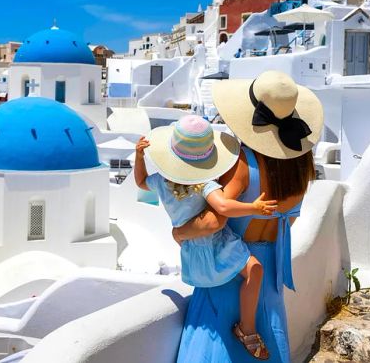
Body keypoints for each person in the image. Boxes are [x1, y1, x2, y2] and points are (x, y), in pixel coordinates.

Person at [175, 71, 323, 363]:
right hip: (268, 273)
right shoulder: (302, 168)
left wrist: (180, 233)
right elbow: (288, 221)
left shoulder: (243, 162)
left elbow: (214, 220)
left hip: (232, 268)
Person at [134, 115, 278, 359]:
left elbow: (140, 181)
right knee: (255, 270)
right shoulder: (204, 184)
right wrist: (254, 208)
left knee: (211, 299)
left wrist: (139, 157)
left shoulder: (160, 181)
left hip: (192, 248)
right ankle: (247, 329)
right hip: (218, 245)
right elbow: (222, 208)